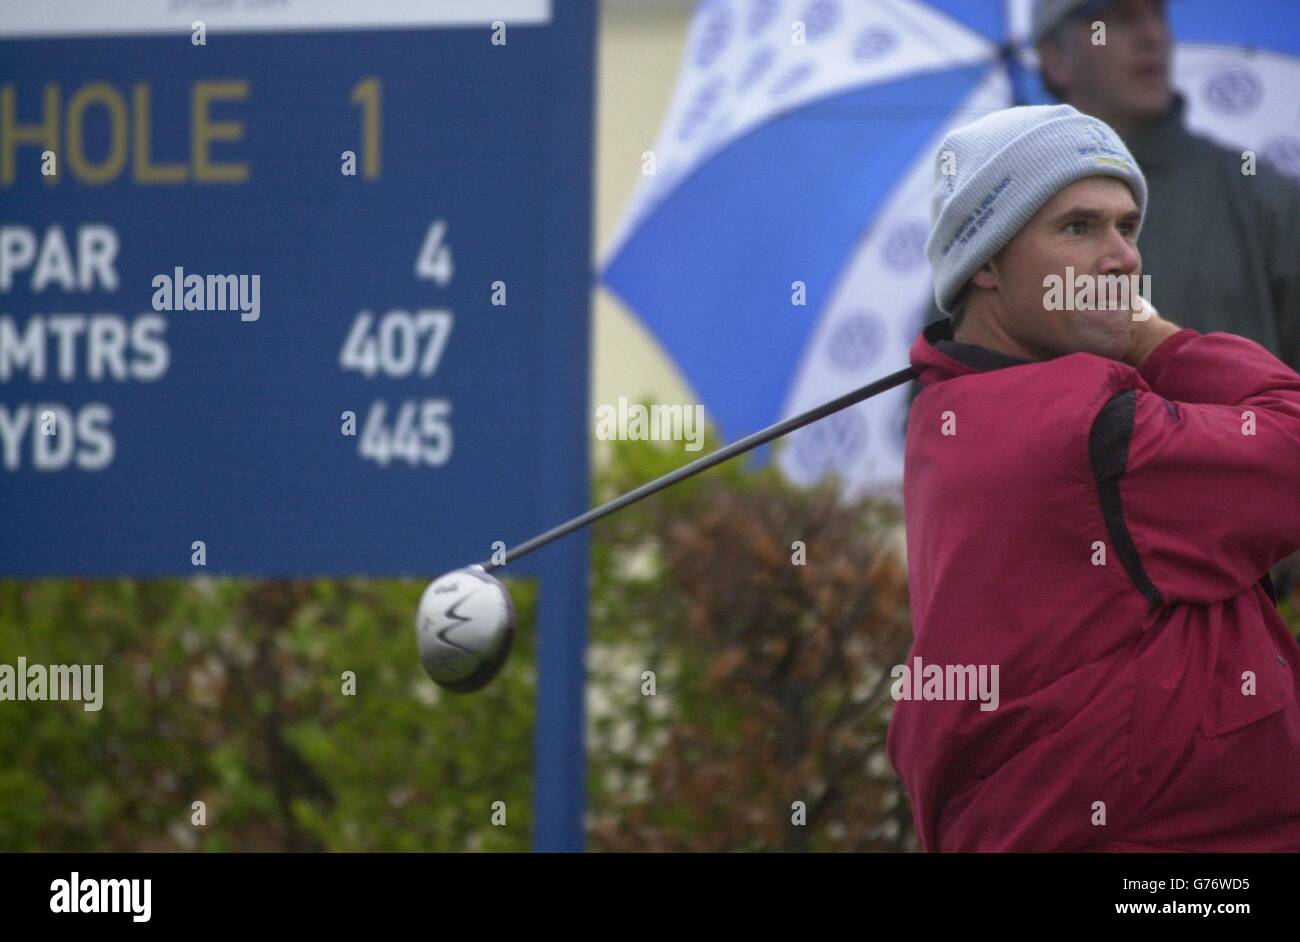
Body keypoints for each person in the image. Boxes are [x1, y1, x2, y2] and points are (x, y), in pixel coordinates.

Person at [886, 103, 1300, 851]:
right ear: (984, 260)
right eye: (1078, 228)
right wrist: (1159, 338)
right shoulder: (1080, 430)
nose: (1123, 259)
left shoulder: (953, 407)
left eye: (1128, 226)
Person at [1032, 0, 1300, 595]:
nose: (1152, 37)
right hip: (1074, 602)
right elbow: (946, 396)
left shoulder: (1265, 201)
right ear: (1055, 56)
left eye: (1156, 15)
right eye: (1120, 20)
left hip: (1255, 597)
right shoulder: (1005, 231)